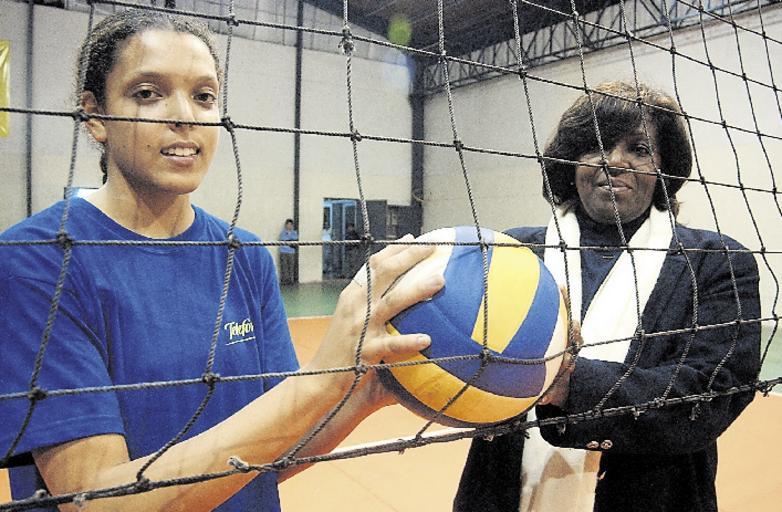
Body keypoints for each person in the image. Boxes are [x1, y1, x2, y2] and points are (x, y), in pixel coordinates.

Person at [0, 10, 444, 512]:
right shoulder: (38, 260)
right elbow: (97, 501)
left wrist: (372, 391)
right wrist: (322, 377)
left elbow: (274, 451)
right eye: (147, 93)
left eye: (204, 96)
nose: (184, 115)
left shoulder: (245, 256)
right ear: (95, 116)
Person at [453, 81, 760, 512]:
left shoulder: (715, 261)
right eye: (594, 146)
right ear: (571, 161)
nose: (614, 162)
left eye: (639, 149)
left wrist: (566, 383)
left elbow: (711, 396)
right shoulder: (513, 252)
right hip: (499, 494)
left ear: (665, 167)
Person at [278, 218, 298, 285]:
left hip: (291, 252)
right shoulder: (282, 233)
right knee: (284, 266)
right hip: (283, 251)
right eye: (288, 224)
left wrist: (289, 242)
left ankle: (291, 280)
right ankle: (284, 280)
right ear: (286, 225)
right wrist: (290, 241)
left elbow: (295, 242)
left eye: (291, 225)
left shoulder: (294, 233)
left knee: (291, 266)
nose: (289, 226)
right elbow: (284, 241)